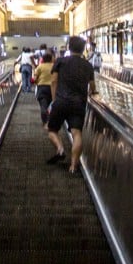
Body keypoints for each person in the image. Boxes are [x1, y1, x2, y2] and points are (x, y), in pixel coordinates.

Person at [46, 36, 95, 174]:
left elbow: (54, 81)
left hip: (61, 101)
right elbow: (92, 86)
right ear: (83, 49)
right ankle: (73, 166)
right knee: (76, 133)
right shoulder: (88, 65)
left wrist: (54, 99)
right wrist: (94, 92)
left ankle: (60, 149)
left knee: (52, 130)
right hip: (79, 103)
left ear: (69, 47)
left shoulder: (60, 61)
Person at [33, 50, 56, 128]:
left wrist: (35, 82)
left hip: (42, 87)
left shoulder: (40, 66)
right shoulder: (54, 66)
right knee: (51, 104)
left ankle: (45, 121)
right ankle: (50, 119)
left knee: (43, 104)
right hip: (52, 88)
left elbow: (35, 78)